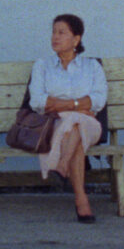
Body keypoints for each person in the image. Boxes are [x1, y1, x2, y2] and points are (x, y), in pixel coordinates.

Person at [28, 13, 107, 223]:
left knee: (78, 123)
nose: (55, 37)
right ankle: (82, 201)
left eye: (62, 32)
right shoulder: (42, 66)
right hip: (57, 123)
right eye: (53, 32)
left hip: (90, 124)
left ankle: (63, 163)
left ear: (76, 39)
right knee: (74, 127)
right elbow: (37, 102)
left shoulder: (92, 67)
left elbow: (98, 100)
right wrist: (76, 105)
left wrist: (58, 102)